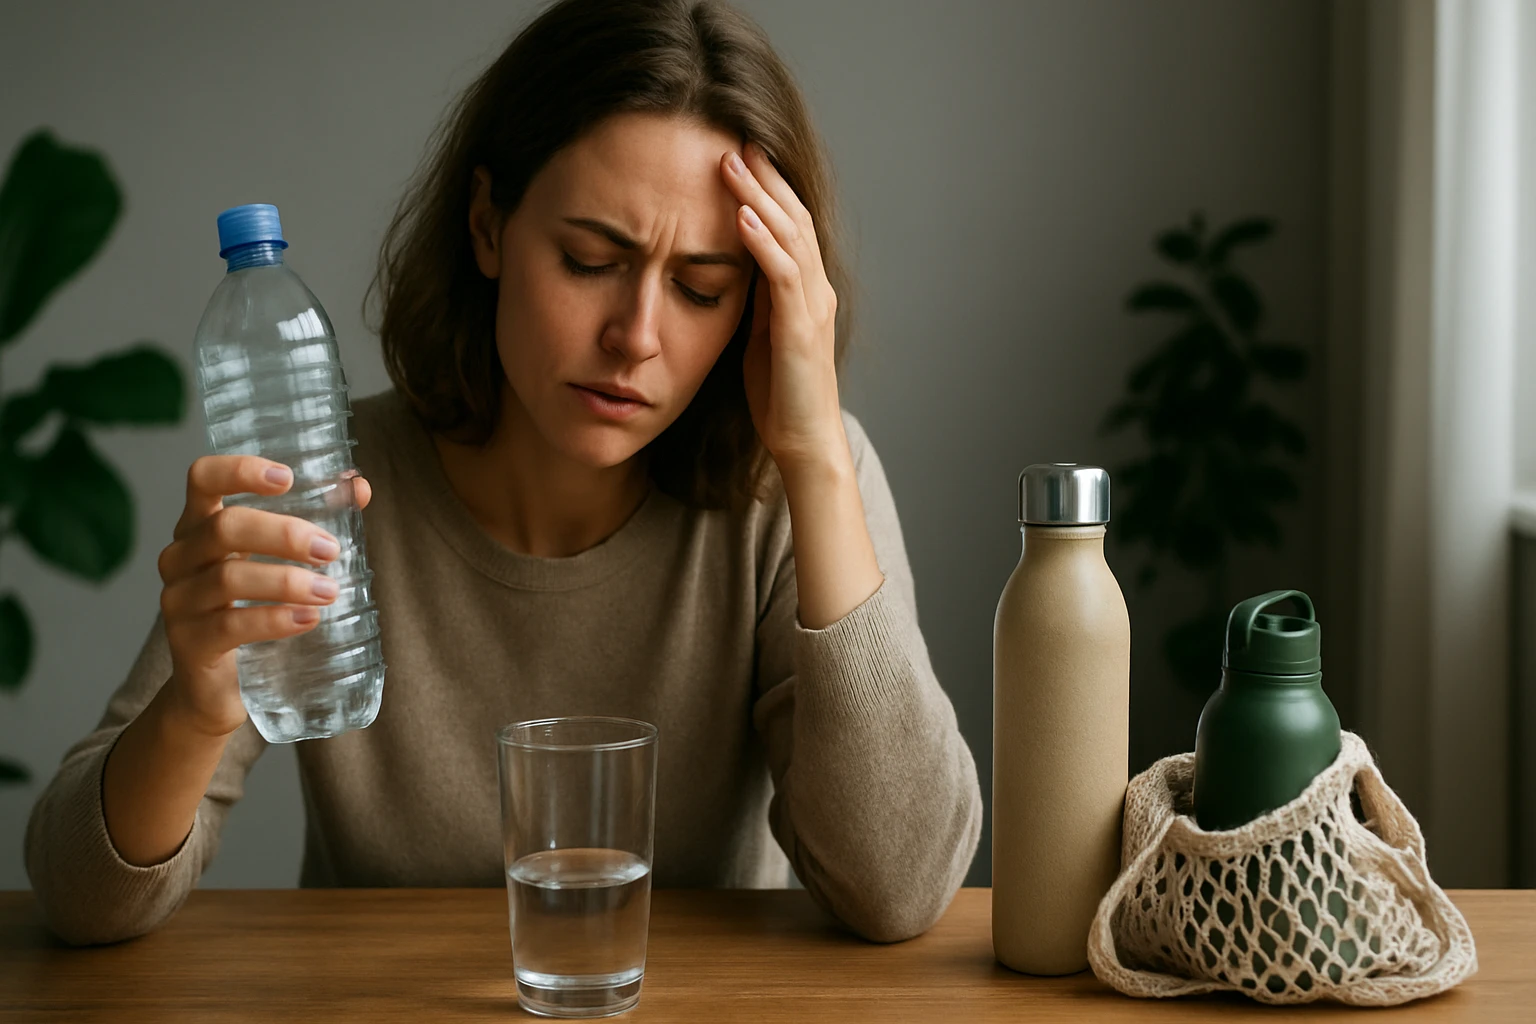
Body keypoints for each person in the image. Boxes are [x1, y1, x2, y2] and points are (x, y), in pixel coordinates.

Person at [25, 0, 982, 946]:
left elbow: (898, 891)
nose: (637, 337)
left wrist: (816, 462)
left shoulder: (795, 490)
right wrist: (194, 713)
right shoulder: (330, 488)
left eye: (701, 290)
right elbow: (80, 899)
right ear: (487, 224)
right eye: (589, 260)